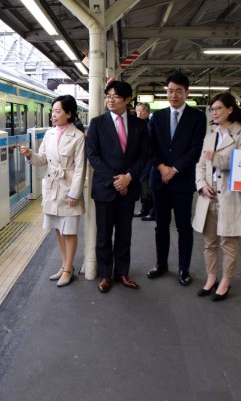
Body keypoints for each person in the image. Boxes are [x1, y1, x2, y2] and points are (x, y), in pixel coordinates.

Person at [86, 80, 149, 293]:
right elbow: (93, 156)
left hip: (129, 188)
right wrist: (117, 180)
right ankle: (105, 274)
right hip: (105, 188)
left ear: (128, 100)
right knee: (103, 234)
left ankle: (122, 272)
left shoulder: (140, 125)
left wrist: (129, 177)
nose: (110, 100)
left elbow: (144, 155)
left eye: (116, 96)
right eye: (108, 96)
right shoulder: (97, 123)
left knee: (125, 233)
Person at [192, 93, 241, 302]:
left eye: (218, 108)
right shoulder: (210, 135)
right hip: (209, 196)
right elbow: (200, 164)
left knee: (228, 243)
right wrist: (201, 186)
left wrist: (216, 158)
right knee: (209, 242)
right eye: (212, 109)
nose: (214, 112)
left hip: (230, 196)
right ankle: (211, 279)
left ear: (230, 109)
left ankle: (225, 281)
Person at [146, 72, 207, 286]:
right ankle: (161, 264)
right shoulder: (157, 116)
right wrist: (162, 167)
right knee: (161, 225)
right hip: (160, 181)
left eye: (178, 91)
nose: (173, 95)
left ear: (186, 93)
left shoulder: (197, 117)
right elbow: (151, 146)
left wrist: (175, 169)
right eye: (170, 91)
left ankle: (184, 269)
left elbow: (195, 149)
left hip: (182, 181)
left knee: (184, 227)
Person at [20, 95, 86, 287]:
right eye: (52, 111)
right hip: (51, 188)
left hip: (68, 190)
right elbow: (42, 160)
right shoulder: (49, 134)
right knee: (58, 229)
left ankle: (68, 268)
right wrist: (30, 154)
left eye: (57, 111)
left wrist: (75, 193)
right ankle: (64, 265)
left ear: (69, 113)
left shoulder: (78, 137)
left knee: (69, 231)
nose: (53, 115)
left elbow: (81, 167)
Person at [133, 102, 154, 221]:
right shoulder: (136, 124)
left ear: (148, 112)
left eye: (142, 110)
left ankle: (151, 211)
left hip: (149, 160)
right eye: (138, 110)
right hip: (139, 161)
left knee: (147, 186)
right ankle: (144, 210)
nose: (140, 113)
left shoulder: (150, 125)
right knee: (143, 186)